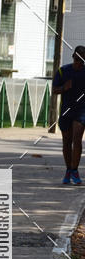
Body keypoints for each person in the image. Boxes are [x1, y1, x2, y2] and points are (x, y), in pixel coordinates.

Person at [51, 45, 85, 185]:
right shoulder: (63, 71)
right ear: (73, 57)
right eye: (77, 59)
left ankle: (75, 170)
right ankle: (69, 170)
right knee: (67, 141)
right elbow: (54, 90)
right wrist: (64, 88)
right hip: (66, 110)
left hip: (81, 111)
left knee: (77, 139)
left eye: (82, 61)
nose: (79, 63)